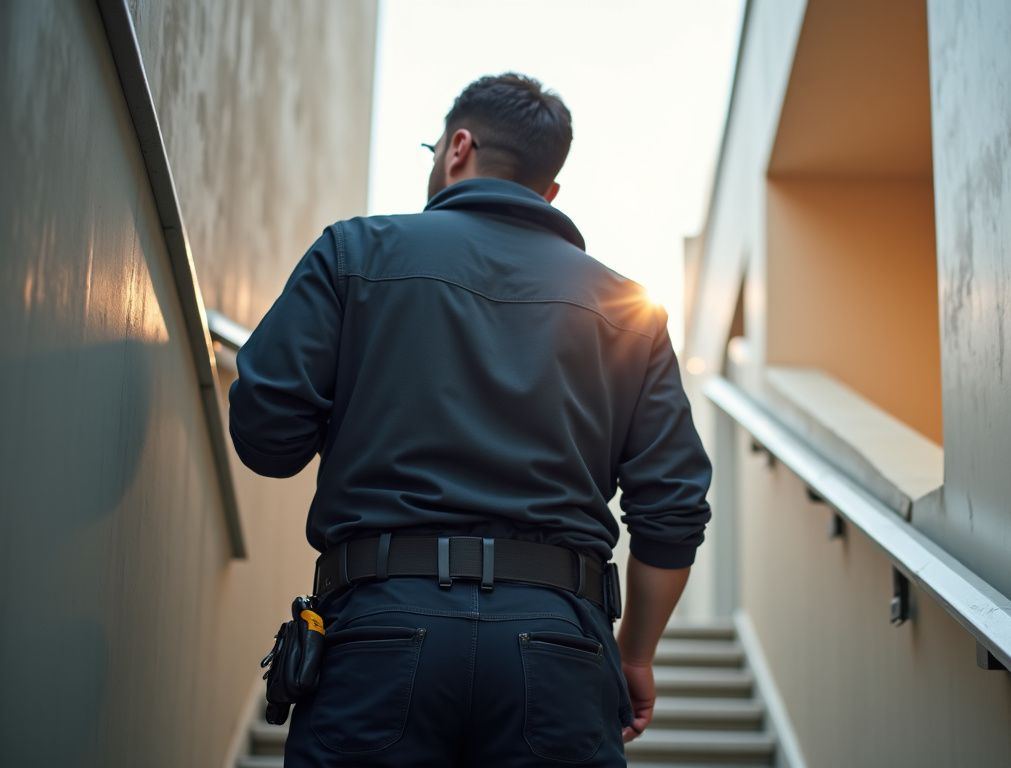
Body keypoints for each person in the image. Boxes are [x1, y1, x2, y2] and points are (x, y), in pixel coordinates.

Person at [228, 73, 712, 766]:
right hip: (559, 646)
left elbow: (266, 436)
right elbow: (674, 508)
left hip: (378, 629)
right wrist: (635, 655)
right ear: (549, 191)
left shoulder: (353, 255)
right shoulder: (631, 311)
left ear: (458, 148)